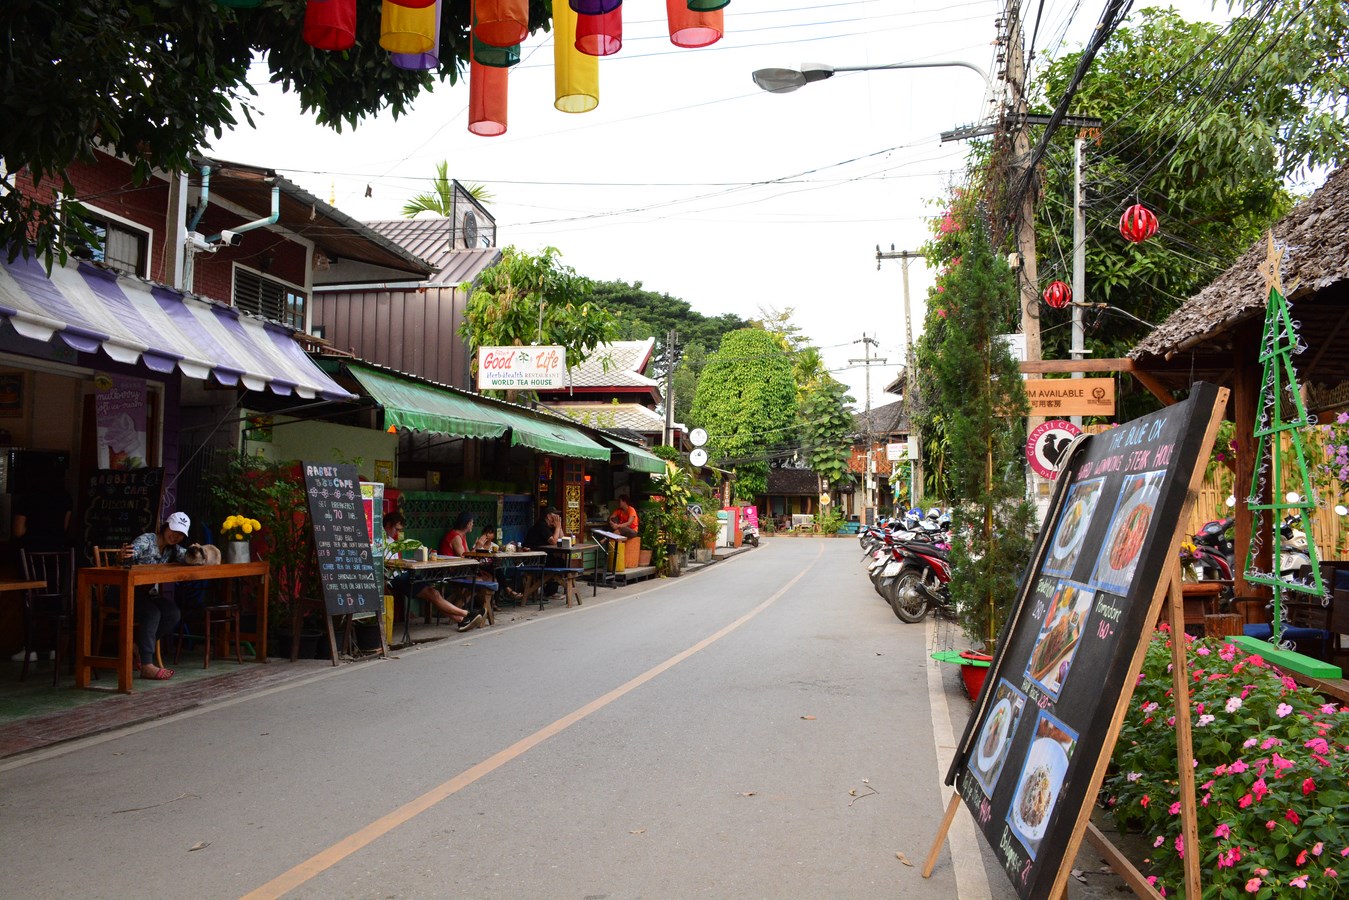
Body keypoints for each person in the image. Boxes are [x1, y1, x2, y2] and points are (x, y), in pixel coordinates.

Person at [122, 511, 192, 680]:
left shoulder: (173, 549)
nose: (175, 536)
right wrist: (123, 555)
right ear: (165, 526)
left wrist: (202, 551)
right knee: (152, 613)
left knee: (173, 613)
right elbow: (129, 556)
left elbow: (190, 557)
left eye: (180, 534)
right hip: (124, 591)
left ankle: (139, 647)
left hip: (146, 594)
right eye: (173, 530)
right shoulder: (146, 540)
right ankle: (146, 665)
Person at [385, 511, 482, 632]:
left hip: (404, 575)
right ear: (388, 525)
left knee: (433, 594)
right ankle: (467, 614)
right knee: (433, 594)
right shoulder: (382, 542)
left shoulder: (392, 541)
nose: (397, 533)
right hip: (395, 579)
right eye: (396, 529)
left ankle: (461, 620)